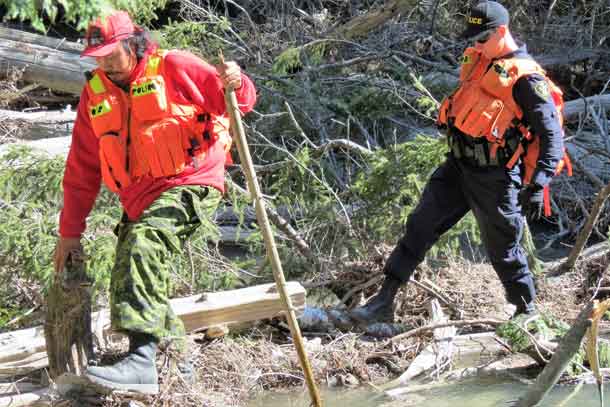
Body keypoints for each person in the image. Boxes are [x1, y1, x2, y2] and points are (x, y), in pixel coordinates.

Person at [52, 10, 257, 394]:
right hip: (141, 197)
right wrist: (70, 234)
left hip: (191, 180)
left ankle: (142, 364)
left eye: (113, 53)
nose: (106, 63)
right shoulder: (95, 94)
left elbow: (237, 102)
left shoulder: (175, 66)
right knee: (128, 266)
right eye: (99, 56)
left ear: (133, 43)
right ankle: (180, 362)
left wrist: (238, 82)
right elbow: (81, 171)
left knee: (143, 246)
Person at [349, 1, 567, 324]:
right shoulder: (481, 61)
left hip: (495, 176)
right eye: (472, 38)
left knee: (503, 247)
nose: (474, 45)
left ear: (501, 32)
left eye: (481, 39)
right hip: (458, 166)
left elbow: (552, 136)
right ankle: (384, 300)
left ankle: (527, 313)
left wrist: (539, 183)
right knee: (421, 224)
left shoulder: (526, 79)